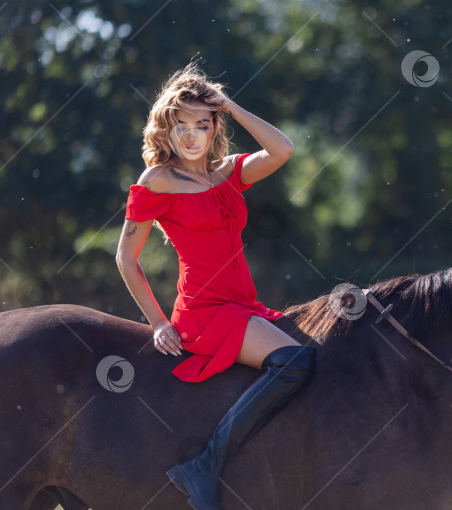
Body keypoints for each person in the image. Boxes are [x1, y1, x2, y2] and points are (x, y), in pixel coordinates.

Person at [115, 62, 316, 510]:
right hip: (204, 312)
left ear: (213, 129)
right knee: (294, 363)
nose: (190, 135)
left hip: (244, 305)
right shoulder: (158, 181)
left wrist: (230, 105)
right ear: (165, 129)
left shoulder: (228, 173)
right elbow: (126, 259)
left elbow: (283, 149)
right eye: (180, 124)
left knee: (316, 353)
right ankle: (206, 463)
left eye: (201, 125)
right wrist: (158, 323)